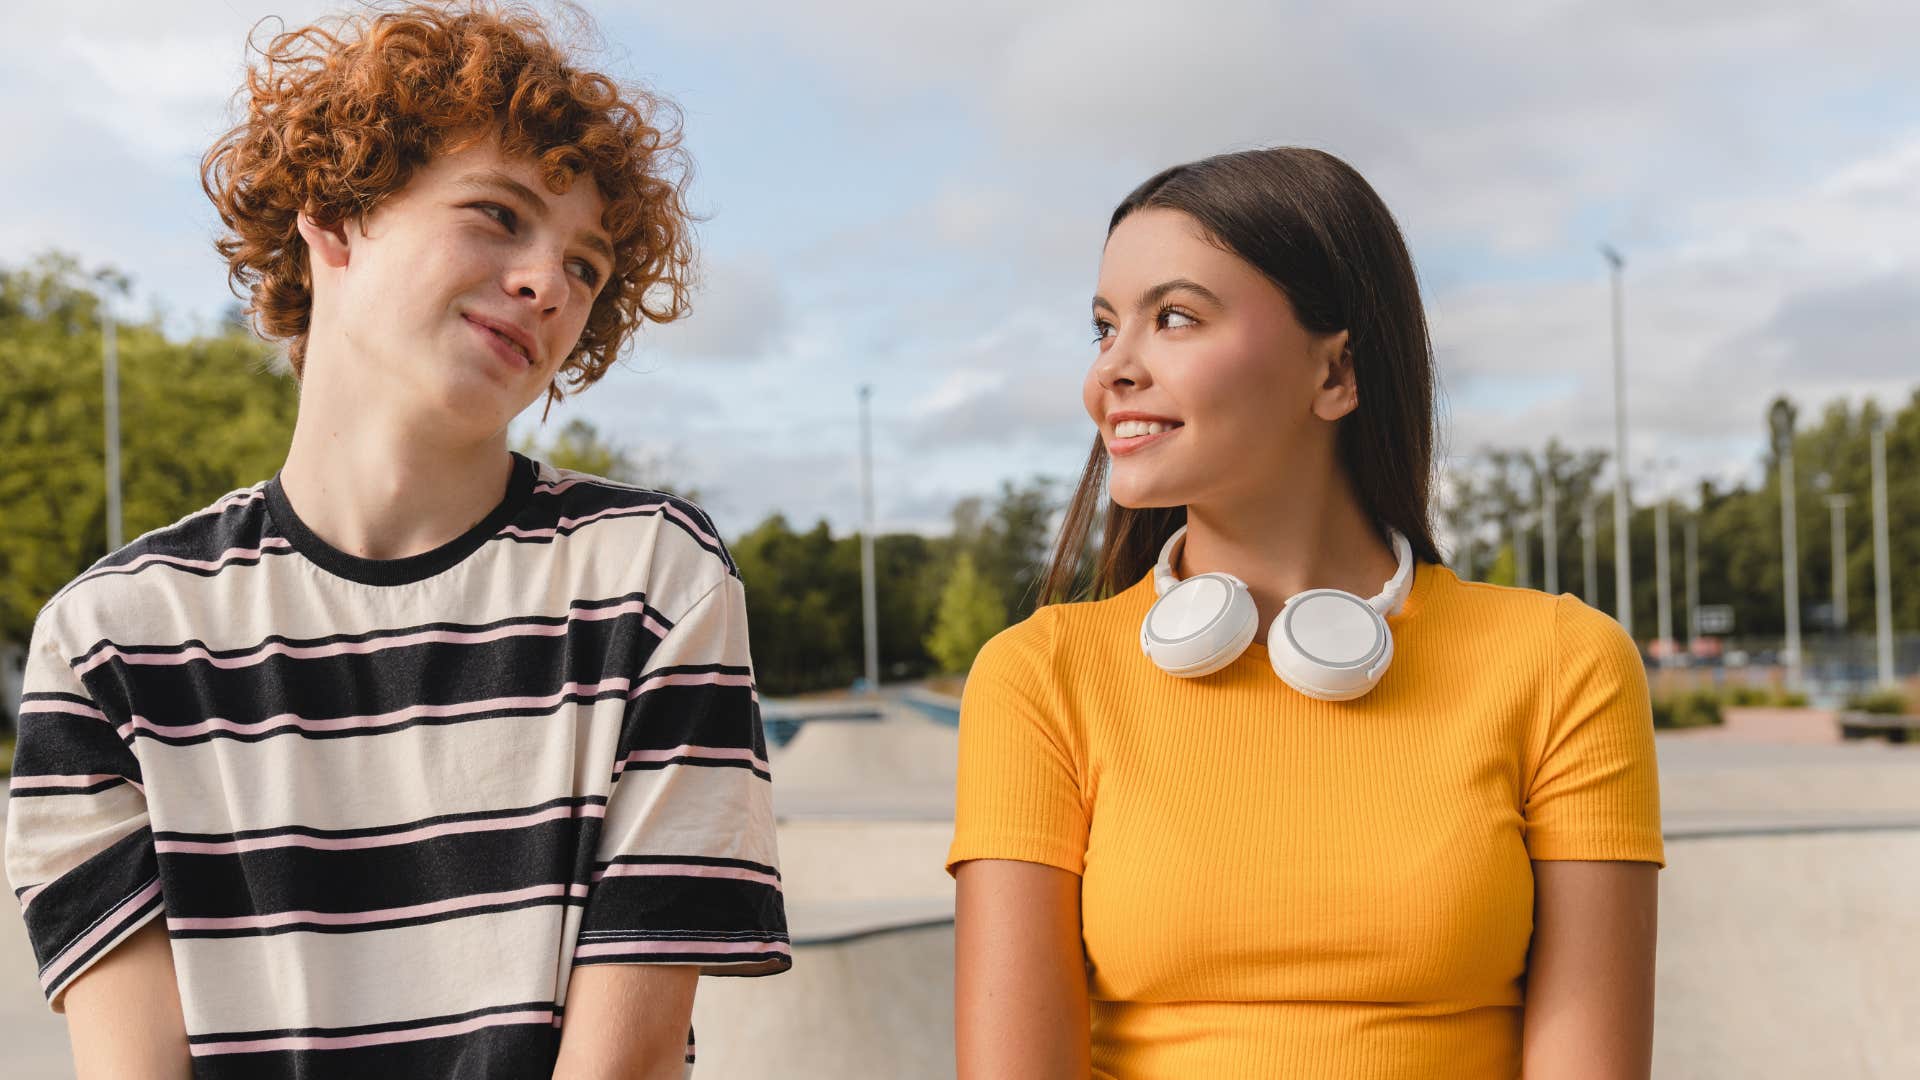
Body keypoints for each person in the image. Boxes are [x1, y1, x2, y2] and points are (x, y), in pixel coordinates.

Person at [6, 5, 788, 1077]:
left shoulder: (650, 582)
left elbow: (626, 1063)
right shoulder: (108, 643)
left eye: (588, 269)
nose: (549, 284)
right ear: (334, 218)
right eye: (498, 214)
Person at [948, 148, 1663, 1079]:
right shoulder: (1038, 676)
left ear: (1336, 373)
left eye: (1172, 317)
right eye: (1101, 327)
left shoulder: (1564, 663)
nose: (1112, 370)